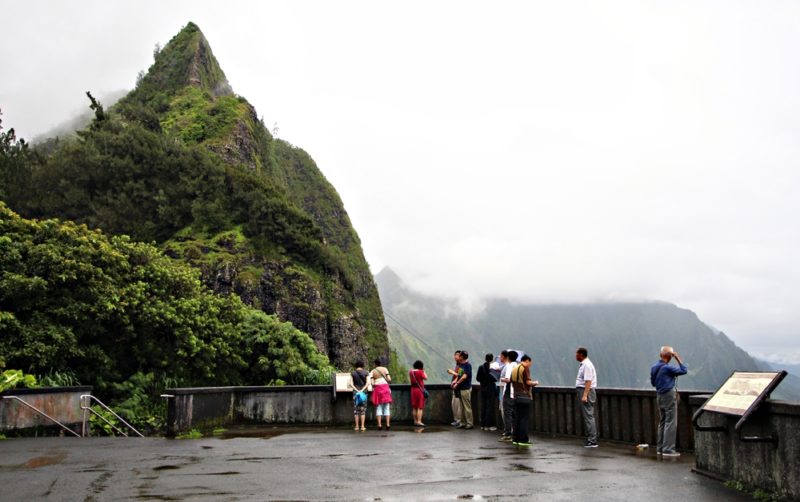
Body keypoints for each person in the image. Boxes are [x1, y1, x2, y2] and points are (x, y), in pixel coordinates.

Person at [651, 346, 688, 458]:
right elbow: (684, 370)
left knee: (662, 421)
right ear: (670, 356)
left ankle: (660, 448)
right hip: (668, 395)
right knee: (670, 422)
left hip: (659, 395)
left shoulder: (654, 367)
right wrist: (677, 358)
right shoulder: (668, 368)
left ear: (660, 355)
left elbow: (653, 383)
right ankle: (668, 450)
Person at [511, 354, 539, 446]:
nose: (529, 365)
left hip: (516, 396)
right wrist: (535, 382)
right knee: (524, 419)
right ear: (527, 361)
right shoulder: (525, 368)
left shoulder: (515, 368)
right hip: (524, 396)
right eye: (530, 363)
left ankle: (515, 439)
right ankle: (523, 440)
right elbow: (527, 382)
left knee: (517, 418)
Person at [575, 347, 598, 448]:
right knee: (588, 415)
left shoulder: (587, 365)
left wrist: (585, 395)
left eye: (577, 354)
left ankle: (592, 440)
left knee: (588, 416)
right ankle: (591, 438)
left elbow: (588, 381)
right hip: (585, 391)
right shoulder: (584, 364)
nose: (575, 356)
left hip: (586, 392)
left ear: (581, 354)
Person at [498, 350, 518, 442]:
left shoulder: (510, 366)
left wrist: (501, 378)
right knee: (513, 413)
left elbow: (508, 379)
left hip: (509, 391)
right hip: (516, 392)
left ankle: (508, 434)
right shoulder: (517, 365)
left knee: (507, 413)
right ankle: (514, 432)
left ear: (508, 357)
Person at [451, 351, 474, 429]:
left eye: (459, 356)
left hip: (465, 388)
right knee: (461, 406)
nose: (458, 357)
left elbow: (464, 376)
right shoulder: (461, 365)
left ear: (462, 357)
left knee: (467, 407)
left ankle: (470, 423)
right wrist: (454, 381)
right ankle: (463, 422)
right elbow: (459, 375)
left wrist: (457, 383)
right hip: (460, 389)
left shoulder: (468, 365)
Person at [476, 353, 498, 431]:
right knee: (489, 407)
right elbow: (495, 379)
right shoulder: (493, 368)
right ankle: (488, 425)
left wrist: (483, 381)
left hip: (483, 388)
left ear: (485, 358)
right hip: (490, 388)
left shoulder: (480, 367)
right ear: (491, 359)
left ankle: (482, 425)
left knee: (483, 406)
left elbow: (478, 378)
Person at [347, 360, 370, 431]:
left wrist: (357, 390)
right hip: (364, 393)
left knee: (356, 410)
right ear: (362, 365)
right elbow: (368, 383)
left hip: (355, 393)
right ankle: (362, 426)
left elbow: (351, 383)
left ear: (356, 365)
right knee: (363, 410)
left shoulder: (353, 373)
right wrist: (362, 390)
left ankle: (356, 426)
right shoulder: (366, 373)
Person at [370, 358, 392, 430]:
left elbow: (372, 383)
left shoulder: (373, 371)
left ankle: (379, 425)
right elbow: (389, 379)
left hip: (378, 389)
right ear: (381, 363)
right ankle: (388, 425)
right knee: (387, 407)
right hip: (385, 388)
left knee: (379, 407)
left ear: (375, 364)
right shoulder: (385, 369)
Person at [409, 360, 428, 427]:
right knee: (420, 407)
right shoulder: (420, 372)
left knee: (414, 407)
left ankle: (415, 421)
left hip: (413, 390)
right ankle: (419, 421)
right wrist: (424, 371)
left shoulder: (411, 372)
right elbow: (426, 378)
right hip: (420, 390)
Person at [446, 350, 463, 426]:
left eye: (458, 355)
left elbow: (460, 375)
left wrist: (452, 372)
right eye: (455, 355)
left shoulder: (462, 365)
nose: (456, 356)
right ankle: (456, 419)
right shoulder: (457, 365)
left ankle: (459, 420)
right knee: (454, 404)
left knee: (458, 405)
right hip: (455, 387)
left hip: (459, 387)